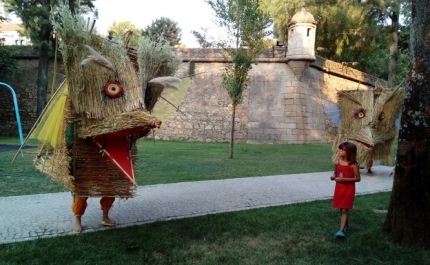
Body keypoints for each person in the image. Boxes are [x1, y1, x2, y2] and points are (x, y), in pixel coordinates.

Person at [330, 141, 361, 238]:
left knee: (344, 209)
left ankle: (341, 231)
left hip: (349, 189)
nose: (339, 151)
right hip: (339, 188)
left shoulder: (353, 164)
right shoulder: (337, 163)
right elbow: (336, 174)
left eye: (342, 149)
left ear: (349, 152)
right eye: (339, 149)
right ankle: (346, 225)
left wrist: (344, 179)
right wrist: (333, 177)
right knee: (341, 208)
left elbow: (358, 178)